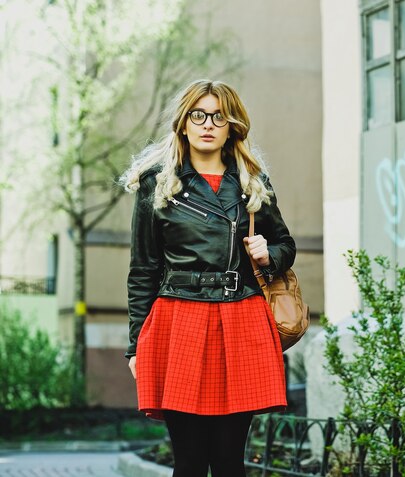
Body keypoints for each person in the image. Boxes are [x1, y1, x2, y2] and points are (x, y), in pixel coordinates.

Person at [120, 79, 295, 477]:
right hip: (178, 323)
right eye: (198, 115)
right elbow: (143, 269)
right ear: (183, 124)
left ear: (232, 126)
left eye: (218, 116)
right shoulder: (158, 184)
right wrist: (135, 346)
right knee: (190, 464)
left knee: (231, 463)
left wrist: (270, 254)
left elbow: (285, 244)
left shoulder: (252, 182)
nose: (208, 124)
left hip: (241, 321)